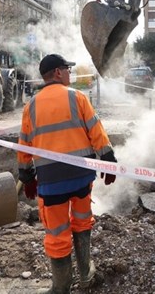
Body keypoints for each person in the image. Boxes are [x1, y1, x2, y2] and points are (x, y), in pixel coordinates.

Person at [18, 53, 117, 293]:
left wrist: (27, 177)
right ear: (58, 73)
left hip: (52, 186)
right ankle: (85, 275)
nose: (70, 74)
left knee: (57, 233)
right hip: (82, 179)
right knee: (82, 222)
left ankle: (61, 286)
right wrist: (108, 160)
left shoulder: (30, 107)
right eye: (68, 70)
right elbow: (96, 131)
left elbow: (23, 146)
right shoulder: (78, 98)